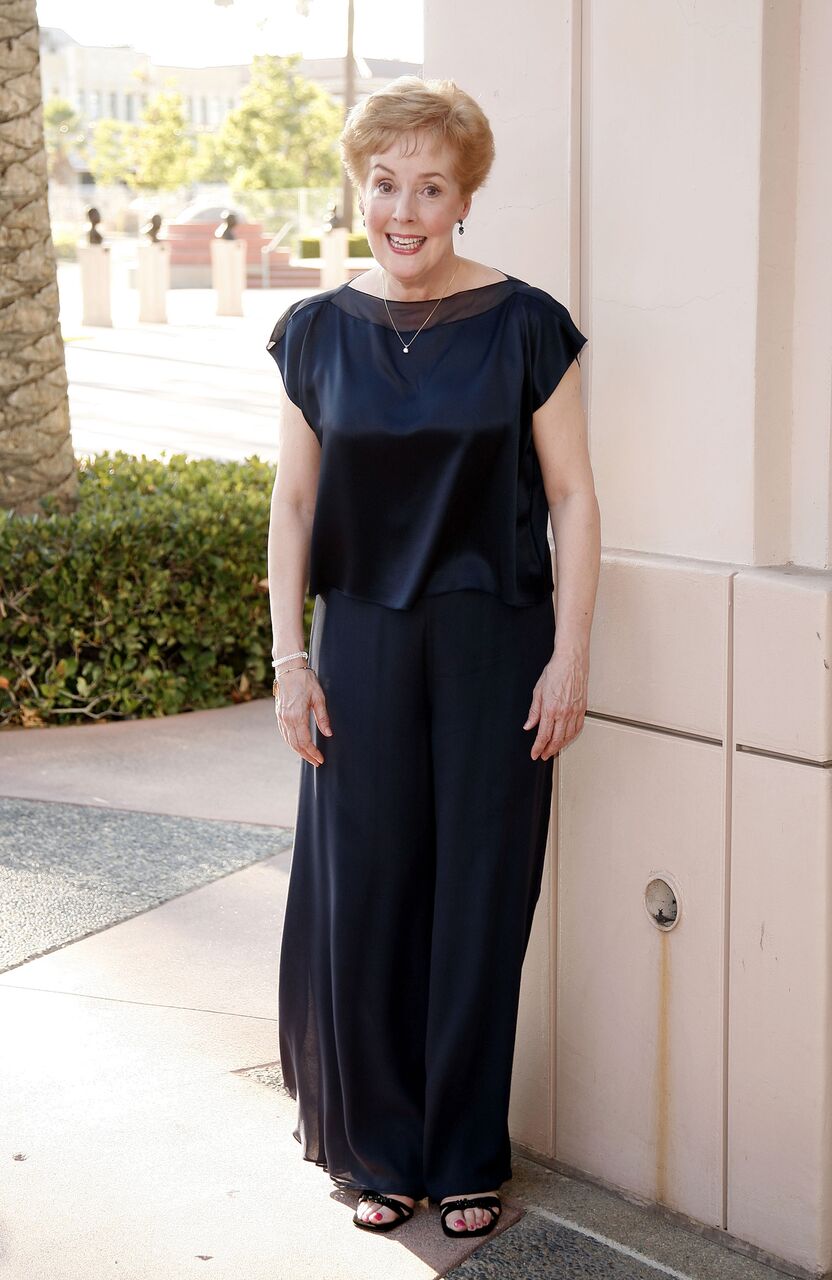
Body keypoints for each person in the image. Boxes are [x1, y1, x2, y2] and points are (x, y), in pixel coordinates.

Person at [265, 75, 601, 1240]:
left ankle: (464, 1151)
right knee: (369, 892)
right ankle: (381, 1149)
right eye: (384, 182)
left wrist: (569, 655)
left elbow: (572, 497)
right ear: (362, 188)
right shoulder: (315, 332)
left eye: (430, 186)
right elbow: (294, 505)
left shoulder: (524, 323)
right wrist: (287, 658)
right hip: (355, 635)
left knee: (477, 898)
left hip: (494, 636)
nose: (402, 208)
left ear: (464, 199)